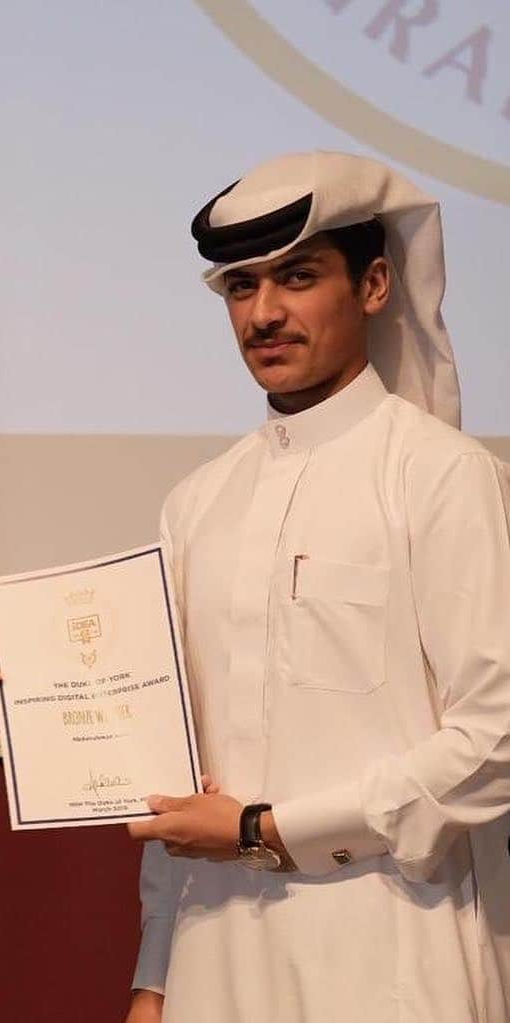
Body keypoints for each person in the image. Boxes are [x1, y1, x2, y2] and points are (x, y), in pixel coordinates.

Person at [124, 151, 510, 1022]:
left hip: (394, 951)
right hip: (213, 955)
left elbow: (496, 738)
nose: (263, 313)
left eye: (296, 279)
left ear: (373, 286)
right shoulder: (195, 503)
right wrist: (152, 972)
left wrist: (269, 831)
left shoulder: (441, 476)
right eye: (240, 287)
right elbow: (181, 764)